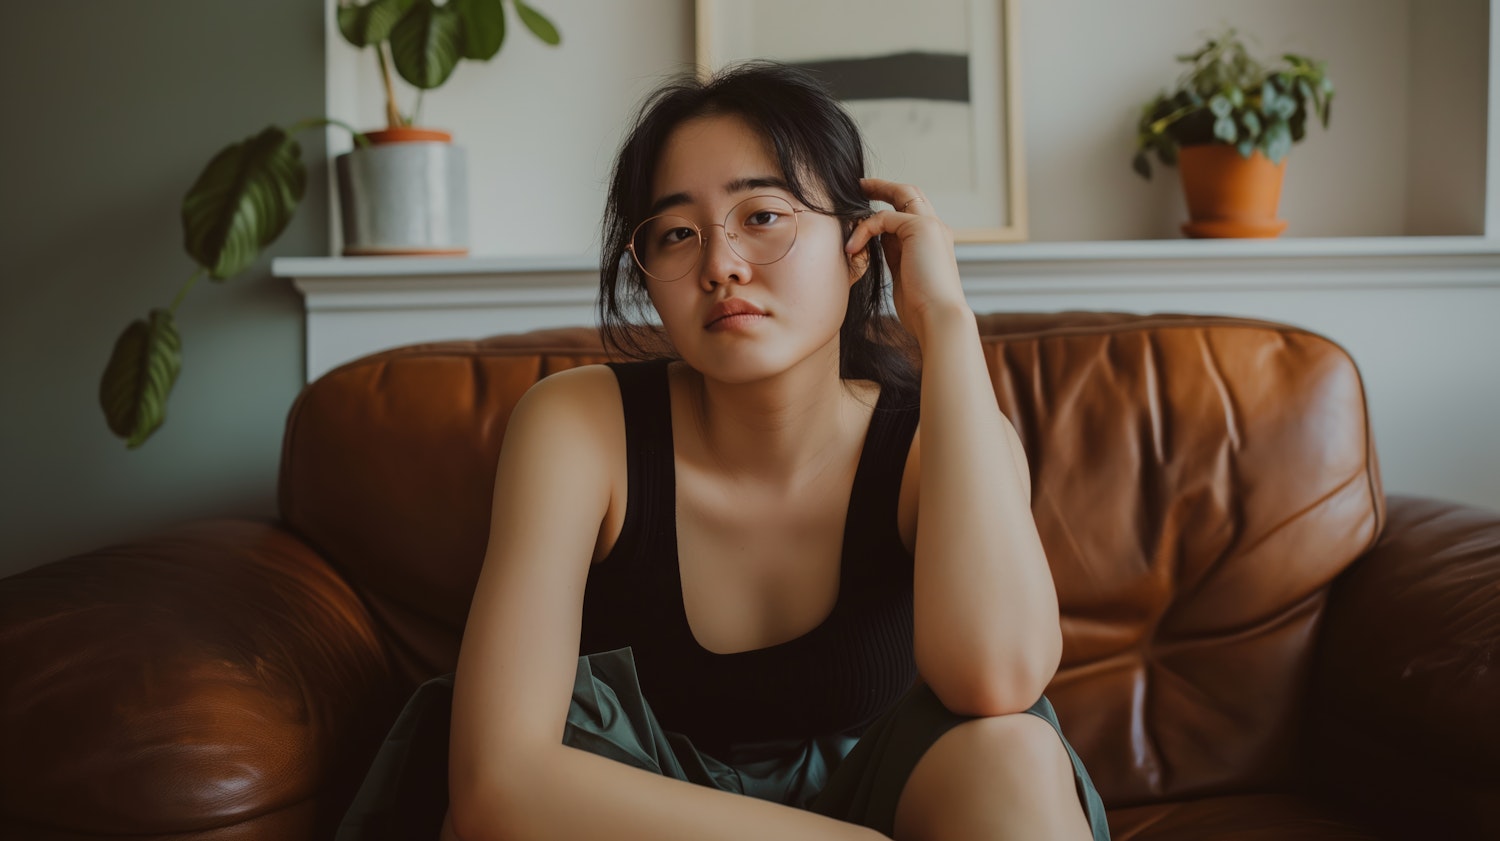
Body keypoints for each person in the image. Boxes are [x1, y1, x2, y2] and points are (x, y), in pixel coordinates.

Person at [336, 61, 1109, 841]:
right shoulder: (578, 425)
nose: (720, 264)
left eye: (763, 215)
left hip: (885, 793)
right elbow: (497, 787)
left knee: (1008, 750)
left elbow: (999, 678)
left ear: (859, 245)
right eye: (677, 232)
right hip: (631, 815)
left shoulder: (937, 436)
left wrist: (945, 321)